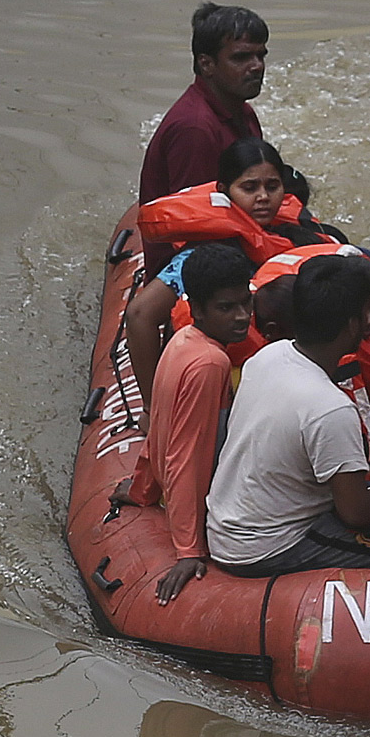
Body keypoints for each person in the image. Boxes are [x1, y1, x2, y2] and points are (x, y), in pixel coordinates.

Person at [205, 255, 370, 576]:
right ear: (350, 323)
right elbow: (356, 513)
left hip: (228, 525)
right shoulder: (331, 408)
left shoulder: (266, 358)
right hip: (267, 546)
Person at [126, 138, 317, 420]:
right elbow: (139, 315)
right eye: (249, 188)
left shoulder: (296, 233)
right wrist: (152, 408)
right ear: (225, 191)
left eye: (272, 187)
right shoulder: (205, 255)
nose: (263, 197)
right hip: (219, 378)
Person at [109, 243, 254, 604]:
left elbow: (161, 426)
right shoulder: (210, 364)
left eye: (245, 303)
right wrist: (189, 549)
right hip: (207, 505)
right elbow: (185, 454)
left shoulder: (182, 342)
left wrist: (143, 488)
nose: (241, 317)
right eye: (226, 308)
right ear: (197, 310)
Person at [139, 3, 269, 277]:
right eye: (241, 58)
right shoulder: (195, 129)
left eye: (260, 55)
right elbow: (193, 228)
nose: (257, 66)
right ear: (206, 64)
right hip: (193, 276)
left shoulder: (241, 110)